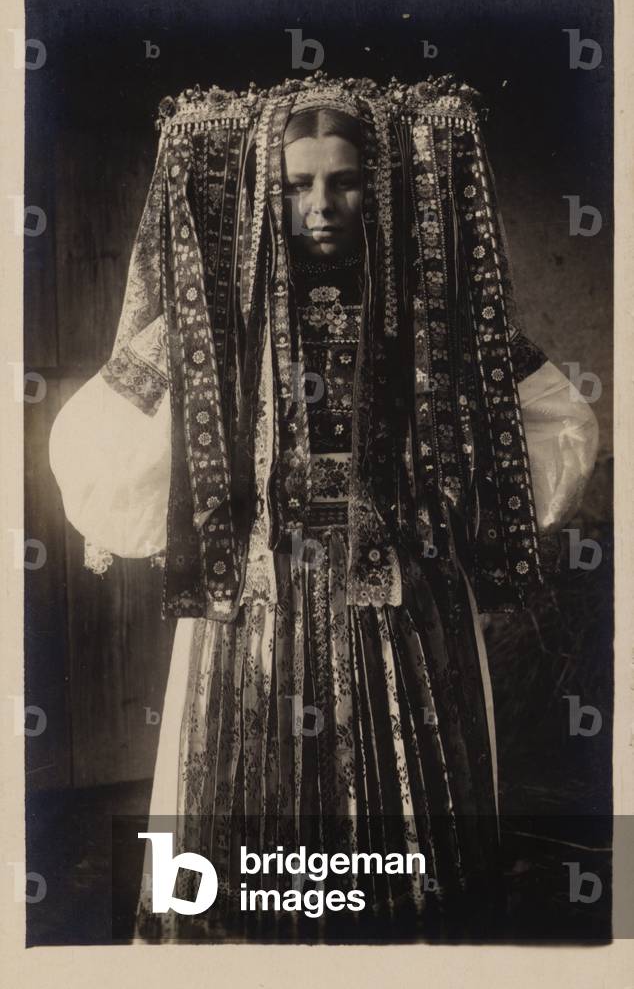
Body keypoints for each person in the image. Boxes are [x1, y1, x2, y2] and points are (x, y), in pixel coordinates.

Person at [49, 73, 599, 941]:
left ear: (375, 186)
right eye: (300, 183)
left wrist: (456, 515)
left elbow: (549, 413)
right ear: (271, 189)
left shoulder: (433, 316)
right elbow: (99, 433)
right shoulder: (215, 322)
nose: (322, 203)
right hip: (257, 619)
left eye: (343, 180)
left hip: (405, 615)